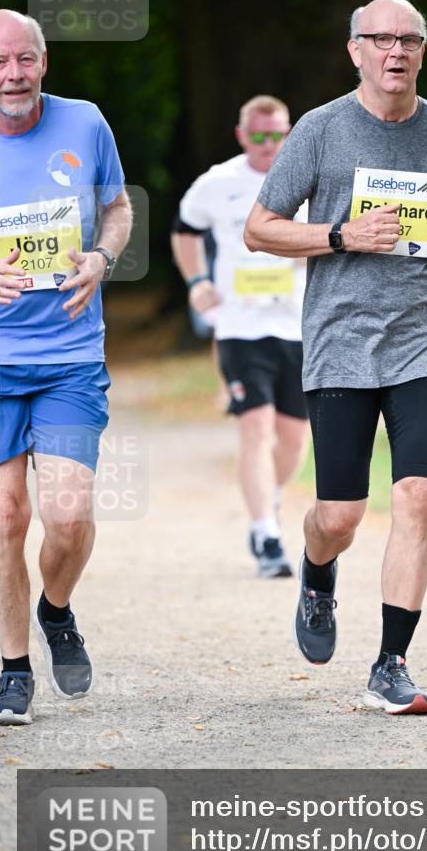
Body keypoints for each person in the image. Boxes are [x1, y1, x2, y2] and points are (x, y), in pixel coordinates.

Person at [244, 0, 427, 715]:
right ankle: (318, 575)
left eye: (408, 39)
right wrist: (342, 236)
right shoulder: (319, 131)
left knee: (418, 495)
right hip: (341, 339)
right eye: (380, 39)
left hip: (420, 336)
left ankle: (391, 662)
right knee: (339, 513)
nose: (395, 51)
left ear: (421, 51)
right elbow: (260, 228)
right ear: (355, 50)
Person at [0, 11, 132, 725]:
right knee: (5, 518)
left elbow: (116, 208)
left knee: (68, 516)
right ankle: (14, 670)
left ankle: (56, 610)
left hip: (69, 358)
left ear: (43, 62)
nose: (11, 75)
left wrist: (103, 258)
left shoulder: (85, 123)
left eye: (23, 59)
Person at [171, 96, 309, 578]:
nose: (269, 145)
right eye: (259, 135)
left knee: (294, 439)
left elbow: (336, 235)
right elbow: (185, 230)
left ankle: (267, 496)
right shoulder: (219, 182)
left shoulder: (307, 180)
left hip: (296, 323)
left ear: (289, 133)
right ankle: (267, 533)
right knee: (256, 427)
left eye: (277, 135)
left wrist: (306, 253)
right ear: (242, 134)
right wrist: (198, 281)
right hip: (239, 327)